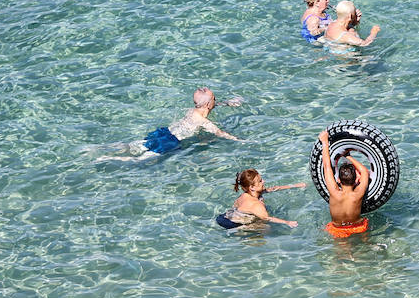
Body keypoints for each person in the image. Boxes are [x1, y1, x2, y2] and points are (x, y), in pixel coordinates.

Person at [101, 88, 245, 161]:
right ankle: (108, 158)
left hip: (164, 132)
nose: (216, 100)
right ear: (208, 103)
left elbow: (211, 106)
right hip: (170, 141)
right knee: (139, 159)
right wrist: (241, 141)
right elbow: (221, 133)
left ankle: (102, 149)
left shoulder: (192, 111)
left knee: (137, 145)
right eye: (215, 98)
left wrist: (228, 103)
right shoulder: (202, 121)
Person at [319, 128, 372, 237]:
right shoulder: (358, 194)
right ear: (356, 180)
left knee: (341, 252)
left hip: (337, 229)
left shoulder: (334, 192)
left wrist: (324, 142)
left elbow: (327, 166)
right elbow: (364, 172)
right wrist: (348, 156)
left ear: (338, 180)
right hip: (358, 227)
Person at [217, 169, 304, 229]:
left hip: (225, 216)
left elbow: (273, 189)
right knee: (266, 227)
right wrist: (287, 222)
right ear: (252, 187)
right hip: (232, 224)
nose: (264, 182)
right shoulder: (256, 205)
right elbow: (267, 218)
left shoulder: (248, 194)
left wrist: (295, 185)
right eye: (260, 181)